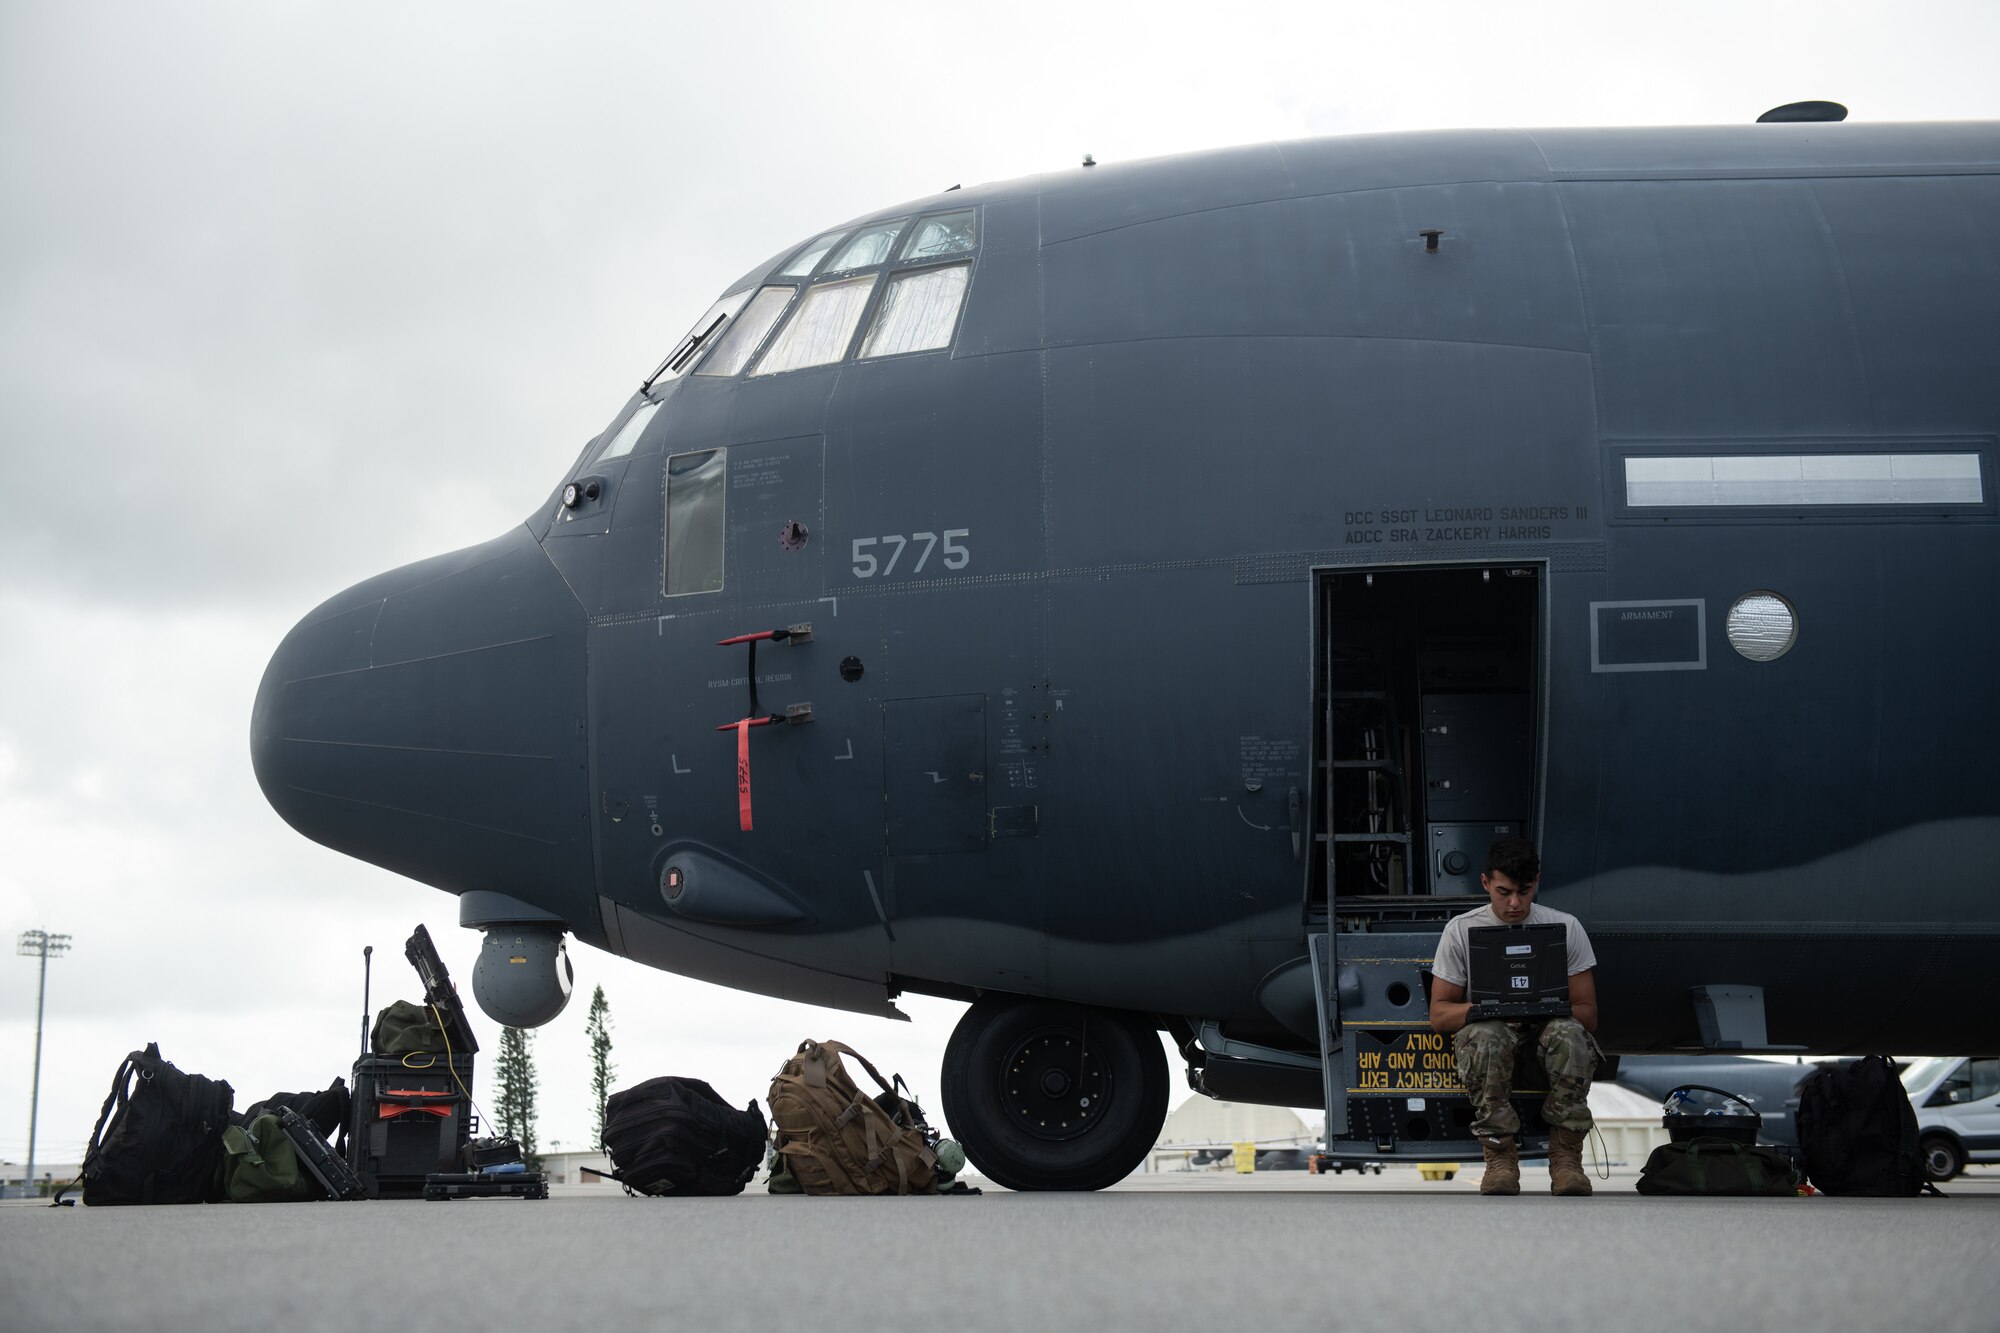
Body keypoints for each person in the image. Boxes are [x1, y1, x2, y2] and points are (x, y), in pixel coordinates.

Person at [1428, 837, 1599, 1196]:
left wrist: (1541, 1009)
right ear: (1485, 882)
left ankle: (1566, 1157)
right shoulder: (1461, 931)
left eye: (1524, 891)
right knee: (1485, 1034)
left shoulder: (1565, 927)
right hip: (1492, 1041)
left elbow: (1588, 1014)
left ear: (1537, 881)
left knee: (1570, 1035)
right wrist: (1490, 1011)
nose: (1514, 903)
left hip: (1546, 1037)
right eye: (1504, 891)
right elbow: (1440, 1015)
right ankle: (1500, 1157)